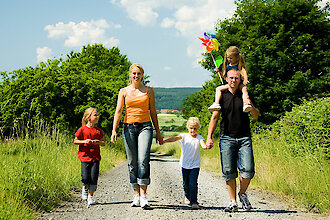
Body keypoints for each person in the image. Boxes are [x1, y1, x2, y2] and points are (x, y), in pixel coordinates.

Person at [111, 63, 164, 209]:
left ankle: (144, 195)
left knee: (143, 160)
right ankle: (136, 195)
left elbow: (153, 112)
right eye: (134, 73)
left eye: (139, 74)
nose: (136, 76)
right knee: (132, 162)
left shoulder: (148, 91)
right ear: (130, 75)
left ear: (142, 75)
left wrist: (158, 132)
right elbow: (119, 111)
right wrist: (114, 130)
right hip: (128, 127)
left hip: (145, 127)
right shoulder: (123, 91)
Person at [206, 69, 259, 212]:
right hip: (226, 137)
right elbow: (215, 117)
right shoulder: (222, 95)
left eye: (236, 78)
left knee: (248, 170)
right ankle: (233, 201)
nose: (233, 80)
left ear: (239, 79)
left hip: (244, 137)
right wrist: (209, 137)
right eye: (231, 78)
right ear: (227, 79)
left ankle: (242, 194)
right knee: (229, 171)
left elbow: (255, 116)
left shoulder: (245, 93)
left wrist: (250, 105)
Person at [164, 117, 207, 210]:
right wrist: (165, 141)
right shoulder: (184, 136)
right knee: (185, 183)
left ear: (198, 128)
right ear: (188, 127)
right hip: (185, 164)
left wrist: (205, 146)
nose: (193, 130)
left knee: (193, 183)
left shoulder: (199, 138)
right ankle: (187, 196)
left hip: (195, 165)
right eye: (191, 128)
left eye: (195, 128)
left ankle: (194, 201)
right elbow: (175, 138)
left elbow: (203, 144)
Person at [74, 107, 105, 206]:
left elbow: (103, 143)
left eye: (97, 115)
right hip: (84, 157)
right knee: (85, 177)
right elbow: (75, 141)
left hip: (95, 158)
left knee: (93, 177)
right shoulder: (82, 130)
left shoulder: (98, 131)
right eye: (95, 115)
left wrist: (97, 142)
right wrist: (84, 141)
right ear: (88, 117)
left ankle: (91, 197)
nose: (97, 116)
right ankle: (85, 188)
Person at [208, 46, 252, 113]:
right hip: (230, 85)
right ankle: (216, 103)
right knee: (218, 88)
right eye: (227, 57)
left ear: (236, 57)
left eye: (230, 58)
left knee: (244, 89)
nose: (229, 59)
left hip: (238, 84)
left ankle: (246, 103)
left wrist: (245, 79)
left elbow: (244, 72)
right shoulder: (228, 66)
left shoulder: (239, 65)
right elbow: (225, 77)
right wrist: (219, 72)